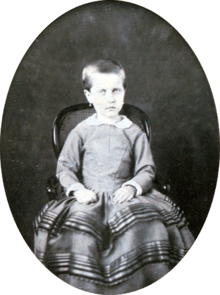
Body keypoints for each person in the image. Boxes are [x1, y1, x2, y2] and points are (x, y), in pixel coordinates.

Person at [34, 59, 195, 294]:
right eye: (102, 92)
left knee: (144, 223)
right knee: (80, 228)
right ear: (89, 96)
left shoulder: (133, 132)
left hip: (125, 194)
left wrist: (132, 187)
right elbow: (65, 168)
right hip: (89, 195)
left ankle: (140, 283)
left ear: (124, 92)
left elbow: (146, 170)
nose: (110, 99)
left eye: (116, 91)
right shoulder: (81, 131)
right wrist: (78, 190)